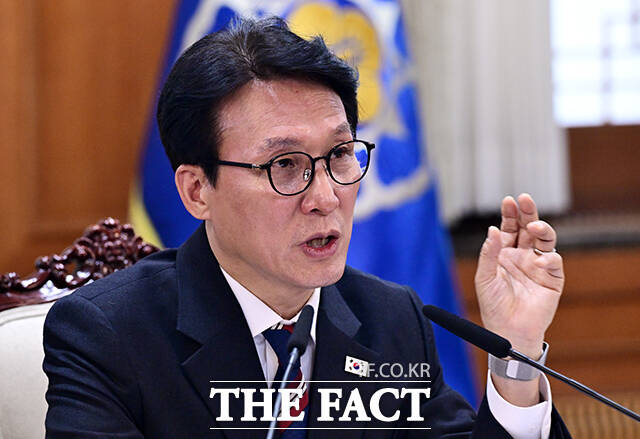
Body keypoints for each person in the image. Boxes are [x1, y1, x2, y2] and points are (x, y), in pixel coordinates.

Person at [43, 16, 571, 438]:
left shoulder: (390, 320)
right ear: (197, 190)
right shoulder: (108, 335)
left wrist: (517, 351)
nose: (325, 198)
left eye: (339, 154)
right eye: (285, 165)